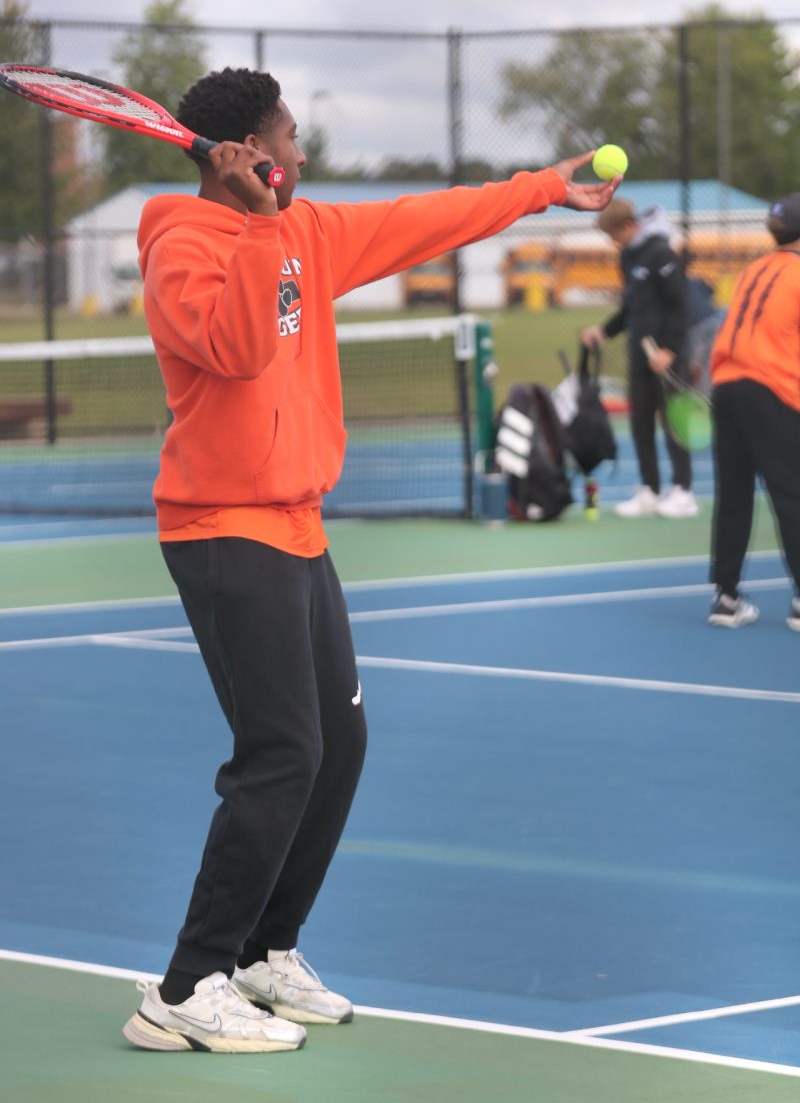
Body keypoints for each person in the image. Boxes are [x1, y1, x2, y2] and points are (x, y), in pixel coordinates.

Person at [122, 65, 621, 1055]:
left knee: (336, 750)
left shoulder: (306, 231)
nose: (303, 154)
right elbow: (234, 347)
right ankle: (184, 985)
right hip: (221, 526)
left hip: (295, 525)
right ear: (253, 155)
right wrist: (261, 226)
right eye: (290, 138)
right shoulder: (180, 242)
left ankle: (265, 952)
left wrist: (540, 188)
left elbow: (422, 217)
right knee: (280, 755)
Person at [707, 192, 800, 630]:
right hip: (771, 390)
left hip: (727, 387)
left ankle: (725, 598)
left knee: (734, 497)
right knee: (793, 495)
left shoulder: (754, 270)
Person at [581, 198, 699, 519]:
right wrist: (604, 331)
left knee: (674, 422)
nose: (611, 241)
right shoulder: (627, 255)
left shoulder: (662, 253)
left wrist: (669, 350)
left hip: (667, 357)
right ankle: (650, 488)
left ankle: (684, 491)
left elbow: (680, 307)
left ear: (628, 226)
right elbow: (631, 309)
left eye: (612, 234)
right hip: (639, 354)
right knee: (640, 423)